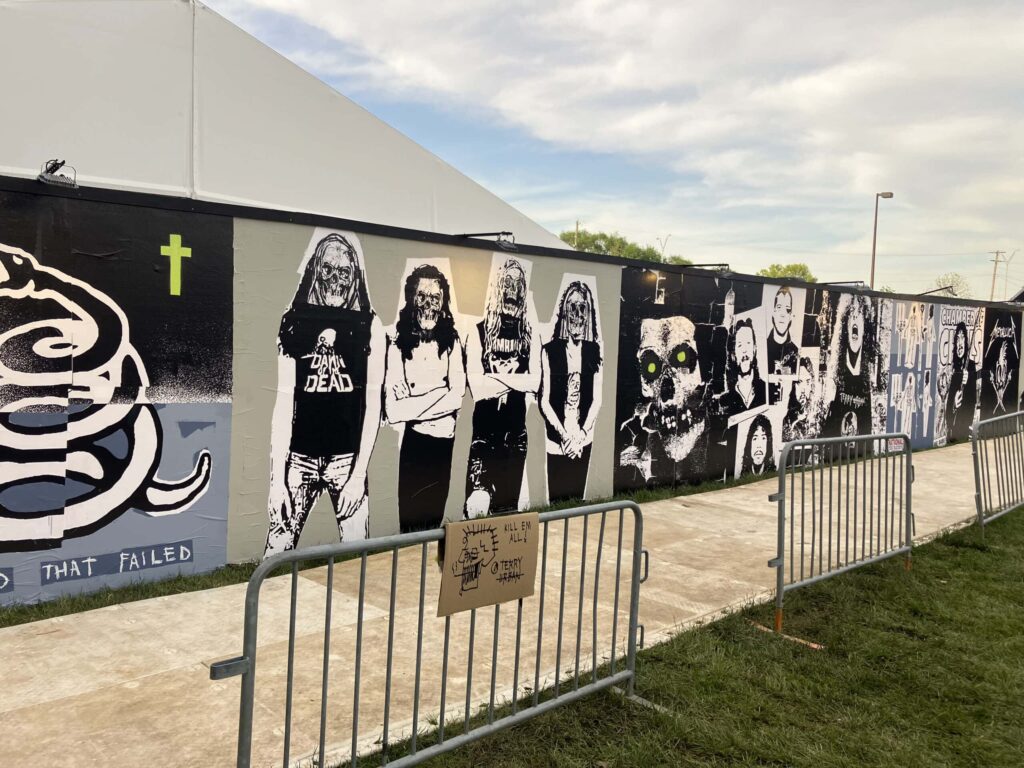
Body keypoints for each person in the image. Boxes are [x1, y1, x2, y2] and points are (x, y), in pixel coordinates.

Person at [265, 232, 384, 556]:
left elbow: (373, 406)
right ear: (316, 271)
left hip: (346, 461)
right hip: (299, 458)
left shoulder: (369, 326)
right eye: (328, 269)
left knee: (357, 555)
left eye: (344, 272)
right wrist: (277, 483)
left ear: (354, 276)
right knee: (275, 552)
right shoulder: (294, 322)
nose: (335, 280)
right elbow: (283, 402)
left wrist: (358, 475)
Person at [385, 264, 466, 532]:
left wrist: (414, 402)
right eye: (422, 296)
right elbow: (394, 411)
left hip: (443, 444)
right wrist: (441, 393)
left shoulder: (452, 342)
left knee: (434, 523)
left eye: (435, 298)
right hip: (414, 444)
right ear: (411, 299)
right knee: (408, 525)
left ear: (443, 303)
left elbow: (457, 398)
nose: (428, 305)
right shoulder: (398, 345)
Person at [464, 257, 540, 517]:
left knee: (506, 511)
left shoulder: (529, 335)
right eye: (507, 282)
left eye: (518, 284)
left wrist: (494, 377)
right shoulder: (478, 332)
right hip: (483, 436)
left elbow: (535, 382)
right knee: (475, 509)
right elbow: (477, 387)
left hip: (516, 437)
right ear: (497, 287)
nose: (512, 290)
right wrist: (516, 379)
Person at [539, 281, 603, 502]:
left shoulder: (594, 351)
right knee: (557, 502)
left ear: (588, 314)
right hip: (557, 441)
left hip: (582, 441)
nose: (577, 314)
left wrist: (581, 435)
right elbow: (545, 401)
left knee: (576, 500)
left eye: (582, 307)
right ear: (564, 312)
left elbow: (597, 400)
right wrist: (565, 437)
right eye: (572, 307)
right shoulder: (550, 351)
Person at [823, 295, 872, 437]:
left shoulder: (869, 373)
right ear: (845, 324)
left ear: (865, 325)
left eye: (859, 314)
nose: (855, 319)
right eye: (851, 314)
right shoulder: (835, 371)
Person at [720, 318, 766, 415]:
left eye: (748, 343)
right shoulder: (724, 401)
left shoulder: (766, 391)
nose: (745, 350)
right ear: (733, 354)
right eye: (740, 345)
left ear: (754, 349)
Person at [766, 286, 799, 404]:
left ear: (791, 316)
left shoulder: (796, 352)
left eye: (788, 309)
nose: (783, 314)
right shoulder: (762, 349)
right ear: (773, 312)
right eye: (779, 307)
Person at [945, 321, 977, 441]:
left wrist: (968, 381)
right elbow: (948, 408)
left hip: (964, 424)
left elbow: (973, 400)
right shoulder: (953, 367)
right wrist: (954, 403)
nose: (960, 343)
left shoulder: (970, 366)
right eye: (958, 338)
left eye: (962, 338)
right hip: (953, 430)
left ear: (966, 341)